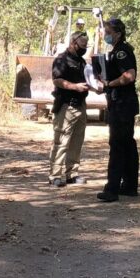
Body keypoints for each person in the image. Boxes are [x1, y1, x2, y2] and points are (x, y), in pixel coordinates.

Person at [96, 18, 139, 202]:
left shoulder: (122, 51)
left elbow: (129, 76)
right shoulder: (117, 50)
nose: (106, 35)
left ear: (118, 33)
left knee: (118, 145)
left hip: (122, 105)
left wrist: (109, 84)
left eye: (108, 32)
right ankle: (129, 186)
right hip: (122, 104)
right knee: (127, 144)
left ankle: (112, 189)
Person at [48, 31, 90, 187]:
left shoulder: (82, 62)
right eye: (82, 45)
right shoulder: (61, 60)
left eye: (86, 46)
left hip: (81, 106)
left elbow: (87, 80)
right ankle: (54, 176)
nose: (84, 48)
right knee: (61, 142)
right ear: (73, 43)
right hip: (66, 105)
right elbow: (57, 80)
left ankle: (72, 174)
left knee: (76, 143)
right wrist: (75, 87)